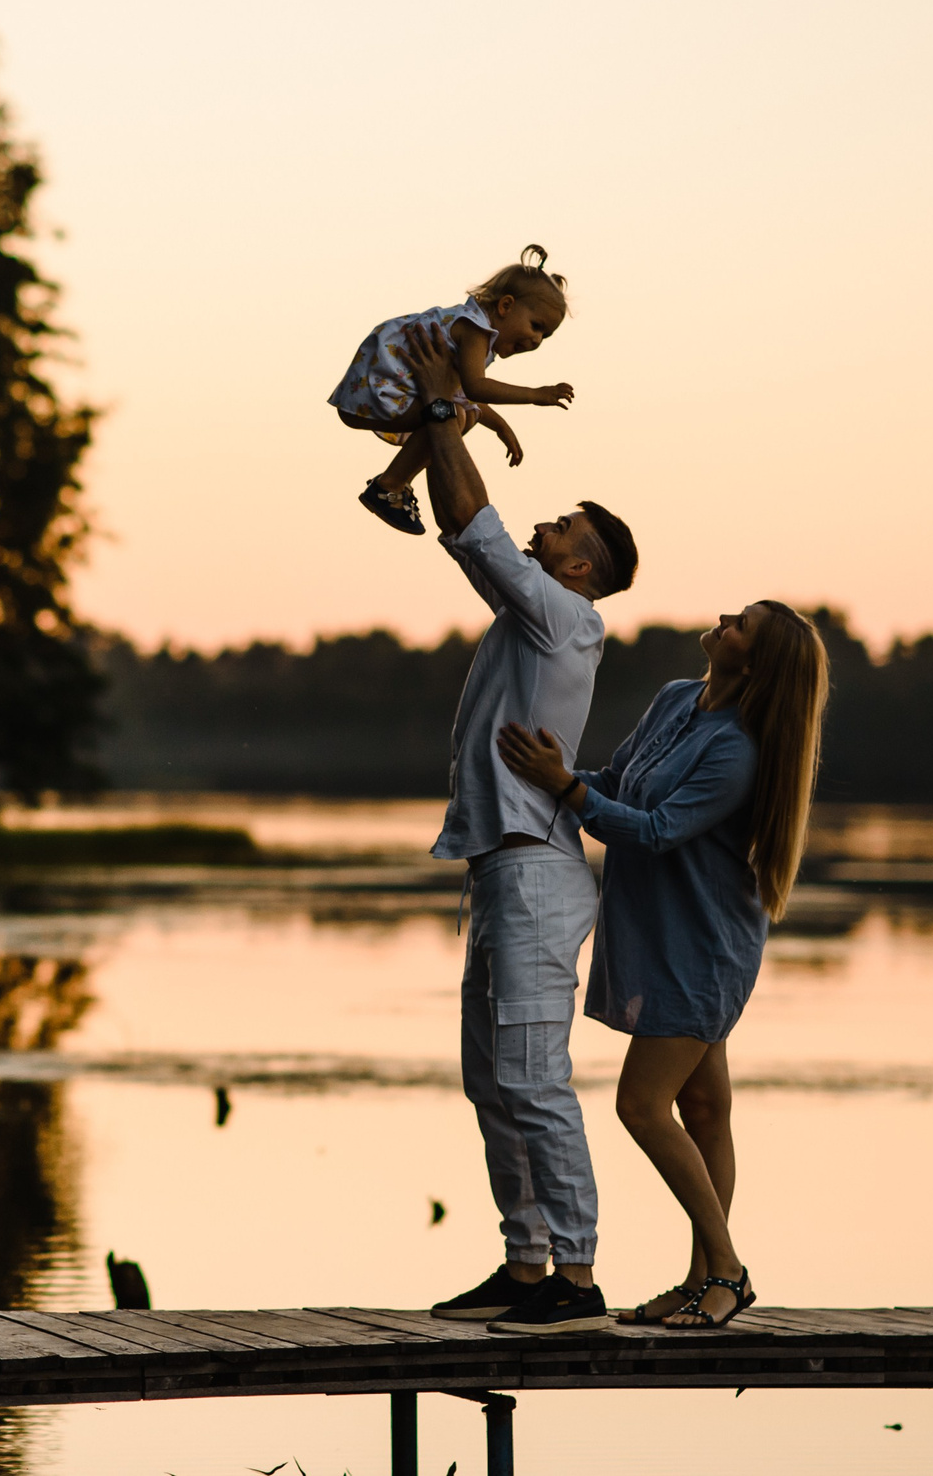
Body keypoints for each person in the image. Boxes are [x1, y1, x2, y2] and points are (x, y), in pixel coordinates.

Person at [392, 330, 640, 1339]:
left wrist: (445, 407)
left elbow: (474, 527)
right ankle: (524, 1258)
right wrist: (439, 406)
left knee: (533, 1079)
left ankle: (575, 1279)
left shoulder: (564, 618)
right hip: (505, 873)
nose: (544, 522)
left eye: (561, 522)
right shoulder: (530, 615)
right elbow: (472, 531)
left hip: (536, 877)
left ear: (579, 562)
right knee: (489, 1077)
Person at [493, 600, 831, 1332]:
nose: (724, 617)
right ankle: (699, 1277)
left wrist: (563, 787)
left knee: (642, 1106)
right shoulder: (678, 697)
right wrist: (551, 773)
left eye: (741, 622)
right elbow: (616, 779)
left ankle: (728, 1270)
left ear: (755, 661)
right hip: (660, 934)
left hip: (702, 949)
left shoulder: (738, 750)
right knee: (704, 1110)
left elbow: (653, 832)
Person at [328, 246, 578, 535]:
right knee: (454, 416)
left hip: (370, 393)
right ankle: (390, 485)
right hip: (380, 392)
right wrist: (536, 395)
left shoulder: (471, 326)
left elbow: (463, 393)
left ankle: (394, 483)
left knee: (462, 414)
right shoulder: (474, 330)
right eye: (536, 326)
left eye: (545, 335)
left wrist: (500, 426)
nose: (536, 339)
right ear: (506, 306)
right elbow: (476, 387)